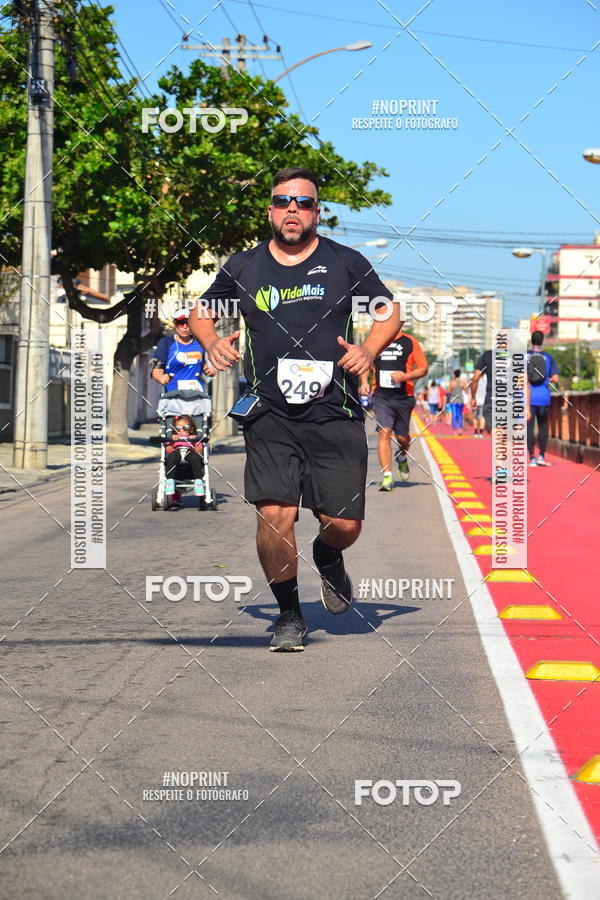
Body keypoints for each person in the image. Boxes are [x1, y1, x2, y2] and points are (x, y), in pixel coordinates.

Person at [189, 166, 401, 651]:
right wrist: (210, 340)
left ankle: (328, 559)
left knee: (344, 524)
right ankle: (289, 613)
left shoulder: (345, 262)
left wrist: (368, 348)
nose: (293, 210)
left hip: (335, 411)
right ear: (269, 209)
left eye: (303, 203)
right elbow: (201, 310)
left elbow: (390, 311)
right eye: (284, 201)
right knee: (274, 515)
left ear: (316, 213)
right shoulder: (243, 266)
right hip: (270, 413)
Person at [360, 331, 428, 490]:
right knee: (385, 431)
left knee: (403, 438)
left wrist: (406, 376)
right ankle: (387, 478)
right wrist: (364, 381)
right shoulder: (375, 340)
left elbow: (423, 368)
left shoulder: (409, 342)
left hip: (404, 396)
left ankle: (402, 457)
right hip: (381, 396)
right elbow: (364, 362)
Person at [151, 309, 215, 391]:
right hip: (173, 396)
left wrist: (209, 370)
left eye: (188, 323)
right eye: (181, 323)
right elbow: (156, 370)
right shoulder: (166, 343)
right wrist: (161, 378)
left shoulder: (200, 343)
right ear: (175, 324)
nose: (185, 327)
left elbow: (202, 364)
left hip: (197, 394)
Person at [527, 330, 559, 467]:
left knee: (529, 428)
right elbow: (556, 379)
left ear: (531, 340)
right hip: (544, 397)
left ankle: (532, 458)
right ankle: (541, 456)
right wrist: (546, 379)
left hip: (528, 397)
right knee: (543, 426)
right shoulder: (548, 357)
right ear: (542, 341)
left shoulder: (524, 356)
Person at [165, 415, 205, 506]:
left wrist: (195, 441)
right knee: (172, 456)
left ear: (191, 429)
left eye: (185, 428)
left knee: (195, 457)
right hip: (177, 456)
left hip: (190, 455)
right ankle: (170, 481)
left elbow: (199, 452)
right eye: (178, 428)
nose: (181, 430)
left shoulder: (194, 438)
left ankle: (198, 482)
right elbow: (168, 451)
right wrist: (172, 441)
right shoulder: (173, 438)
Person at [471, 349, 494, 434]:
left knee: (495, 431)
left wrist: (473, 397)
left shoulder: (488, 355)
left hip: (492, 397)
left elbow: (475, 378)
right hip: (509, 398)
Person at [447, 369, 467, 435]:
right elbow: (466, 390)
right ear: (460, 374)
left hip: (453, 400)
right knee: (459, 414)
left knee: (454, 415)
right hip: (460, 400)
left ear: (454, 374)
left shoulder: (452, 382)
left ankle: (455, 430)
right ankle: (460, 429)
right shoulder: (463, 382)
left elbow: (448, 391)